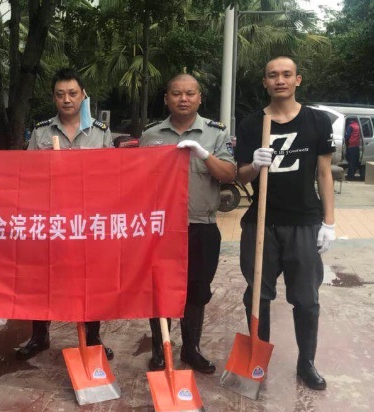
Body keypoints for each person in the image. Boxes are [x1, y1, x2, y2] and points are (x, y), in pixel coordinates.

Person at [235, 56, 335, 390]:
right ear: (264, 82)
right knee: (257, 295)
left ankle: (306, 362)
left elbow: (324, 173)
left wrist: (329, 222)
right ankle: (257, 359)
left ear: (297, 80)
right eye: (273, 75)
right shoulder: (252, 124)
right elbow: (240, 175)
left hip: (304, 222)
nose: (280, 80)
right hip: (261, 223)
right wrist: (253, 165)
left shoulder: (317, 121)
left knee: (306, 298)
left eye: (286, 74)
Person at [140, 74, 236, 373]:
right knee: (159, 288)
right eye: (177, 93)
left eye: (190, 93)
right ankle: (160, 349)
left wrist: (204, 155)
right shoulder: (150, 135)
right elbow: (137, 181)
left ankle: (191, 349)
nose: (183, 99)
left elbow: (229, 174)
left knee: (197, 289)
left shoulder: (216, 133)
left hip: (201, 226)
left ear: (199, 97)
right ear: (166, 98)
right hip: (161, 228)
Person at [18, 67, 115, 361]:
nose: (67, 99)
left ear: (83, 95)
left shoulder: (100, 132)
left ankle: (93, 337)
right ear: (54, 98)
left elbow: (113, 173)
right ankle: (39, 335)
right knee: (43, 278)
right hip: (52, 219)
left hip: (89, 220)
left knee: (91, 280)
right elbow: (27, 175)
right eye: (60, 94)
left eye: (72, 93)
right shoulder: (41, 132)